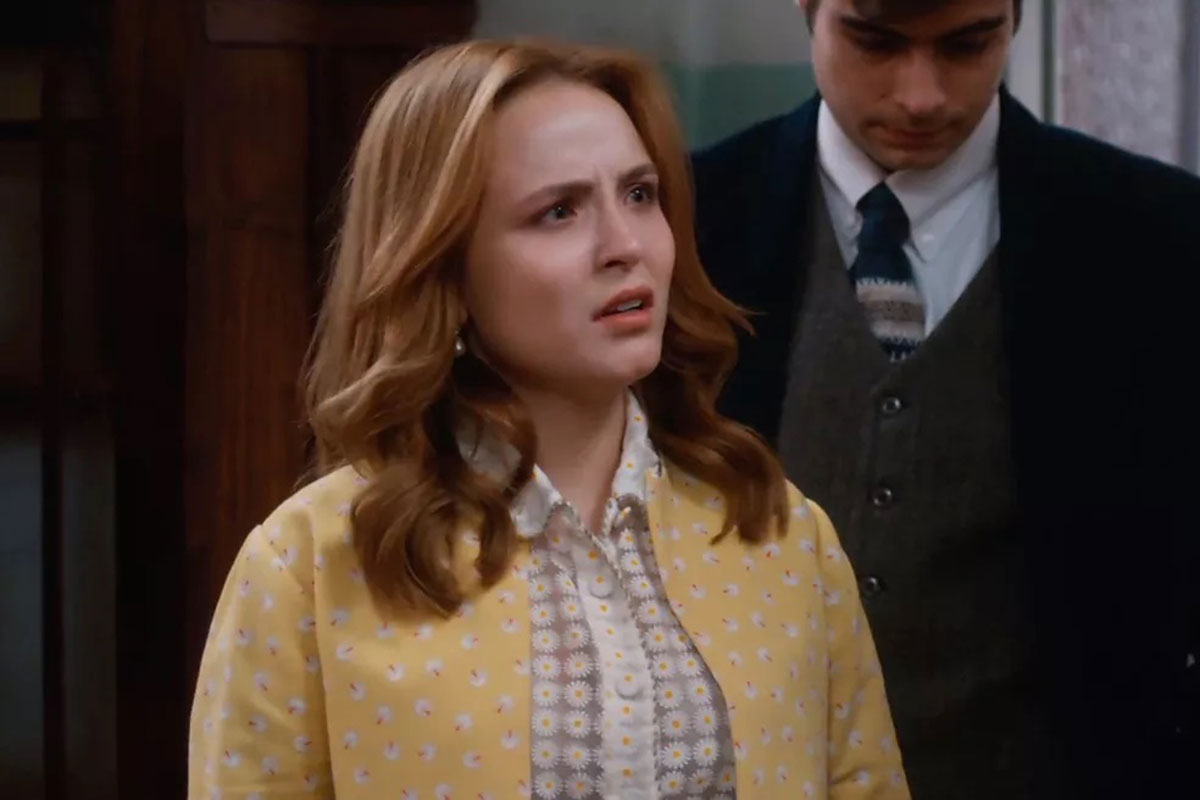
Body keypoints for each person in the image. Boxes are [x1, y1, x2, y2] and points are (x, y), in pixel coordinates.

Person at [188, 39, 909, 799]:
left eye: (640, 195)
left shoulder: (782, 539)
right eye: (559, 211)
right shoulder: (310, 567)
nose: (625, 246)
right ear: (444, 266)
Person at [691, 0, 1200, 797]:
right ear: (807, 9)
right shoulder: (685, 220)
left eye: (967, 44)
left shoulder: (1159, 235)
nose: (921, 95)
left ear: (1017, 18)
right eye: (875, 42)